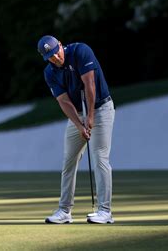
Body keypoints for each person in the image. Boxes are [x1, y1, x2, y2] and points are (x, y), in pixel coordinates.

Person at [37, 35, 115, 224]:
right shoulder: (50, 73)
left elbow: (90, 84)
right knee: (69, 160)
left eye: (56, 53)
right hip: (77, 114)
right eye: (50, 57)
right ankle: (64, 211)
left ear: (61, 46)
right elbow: (64, 101)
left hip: (100, 108)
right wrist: (80, 125)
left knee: (99, 157)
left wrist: (89, 117)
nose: (55, 58)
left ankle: (105, 211)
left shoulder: (81, 51)